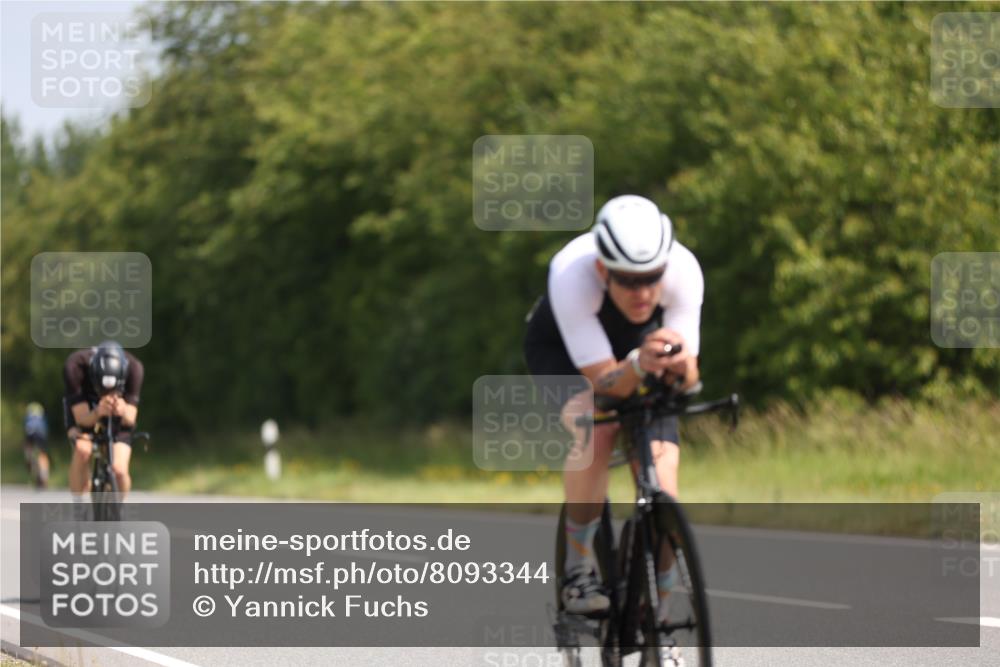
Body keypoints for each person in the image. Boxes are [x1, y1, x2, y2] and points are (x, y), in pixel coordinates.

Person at [523, 195, 704, 617]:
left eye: (651, 277)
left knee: (664, 486)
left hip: (640, 357)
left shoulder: (684, 270)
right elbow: (605, 384)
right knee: (598, 428)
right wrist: (640, 362)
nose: (642, 292)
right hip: (567, 356)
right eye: (627, 279)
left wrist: (681, 370)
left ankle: (655, 615)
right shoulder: (572, 272)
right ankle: (577, 570)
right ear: (604, 269)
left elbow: (688, 376)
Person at [63, 340, 145, 501]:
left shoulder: (134, 368)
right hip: (85, 412)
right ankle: (79, 504)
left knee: (119, 470)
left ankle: (119, 509)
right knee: (82, 450)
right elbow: (81, 419)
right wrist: (98, 412)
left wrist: (122, 410)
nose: (107, 394)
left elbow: (130, 419)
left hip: (117, 421)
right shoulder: (75, 367)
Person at [23, 402, 50, 488]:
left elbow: (25, 428)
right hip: (41, 434)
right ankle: (44, 474)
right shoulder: (42, 418)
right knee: (42, 454)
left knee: (28, 449)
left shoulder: (27, 417)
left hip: (30, 434)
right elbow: (46, 429)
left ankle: (29, 459)